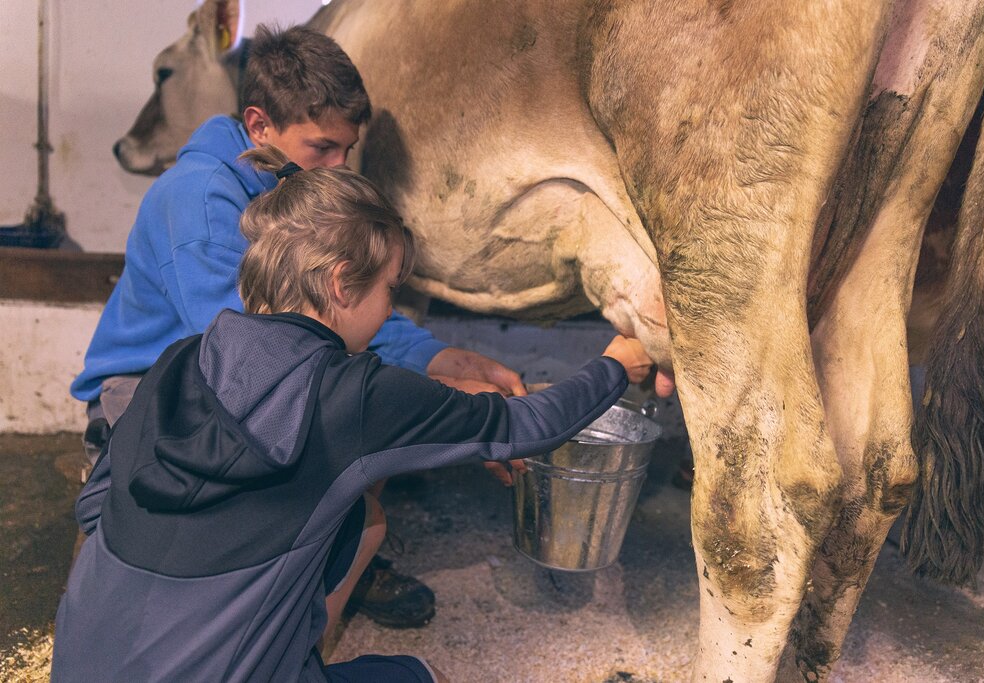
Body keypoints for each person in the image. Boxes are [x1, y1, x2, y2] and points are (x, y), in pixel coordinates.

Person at [51, 145, 655, 682]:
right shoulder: (354, 395)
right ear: (342, 284)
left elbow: (94, 507)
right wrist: (614, 366)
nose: (393, 308)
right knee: (428, 675)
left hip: (82, 663)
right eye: (392, 290)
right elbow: (529, 427)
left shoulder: (181, 360)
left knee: (358, 519)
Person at [70, 24, 529, 629]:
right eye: (321, 148)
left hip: (221, 372)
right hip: (144, 390)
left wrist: (436, 358)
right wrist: (437, 402)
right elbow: (261, 348)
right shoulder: (201, 199)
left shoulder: (288, 188)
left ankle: (326, 564)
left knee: (351, 434)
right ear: (259, 125)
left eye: (346, 149)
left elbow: (335, 310)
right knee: (337, 424)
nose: (337, 166)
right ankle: (290, 605)